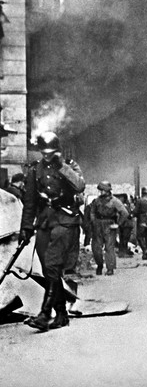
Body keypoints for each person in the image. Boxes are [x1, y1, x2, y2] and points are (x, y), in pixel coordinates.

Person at [18, 131, 85, 331]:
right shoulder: (34, 170)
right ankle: (62, 313)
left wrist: (61, 166)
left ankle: (45, 313)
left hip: (65, 220)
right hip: (45, 222)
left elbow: (79, 186)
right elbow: (29, 202)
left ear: (57, 150)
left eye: (51, 152)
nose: (47, 155)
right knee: (49, 271)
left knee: (53, 264)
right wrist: (26, 227)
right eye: (44, 152)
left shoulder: (69, 166)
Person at [90, 181, 129, 276]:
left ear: (107, 190)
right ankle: (99, 265)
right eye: (100, 190)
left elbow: (124, 213)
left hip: (109, 224)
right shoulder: (97, 201)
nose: (101, 192)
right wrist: (94, 221)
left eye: (103, 190)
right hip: (98, 224)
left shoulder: (115, 201)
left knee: (109, 247)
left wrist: (118, 224)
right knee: (96, 247)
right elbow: (92, 212)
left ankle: (110, 268)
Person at [133, 186, 147, 260]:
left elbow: (136, 211)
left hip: (141, 220)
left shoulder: (140, 201)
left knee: (140, 237)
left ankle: (145, 250)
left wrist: (133, 214)